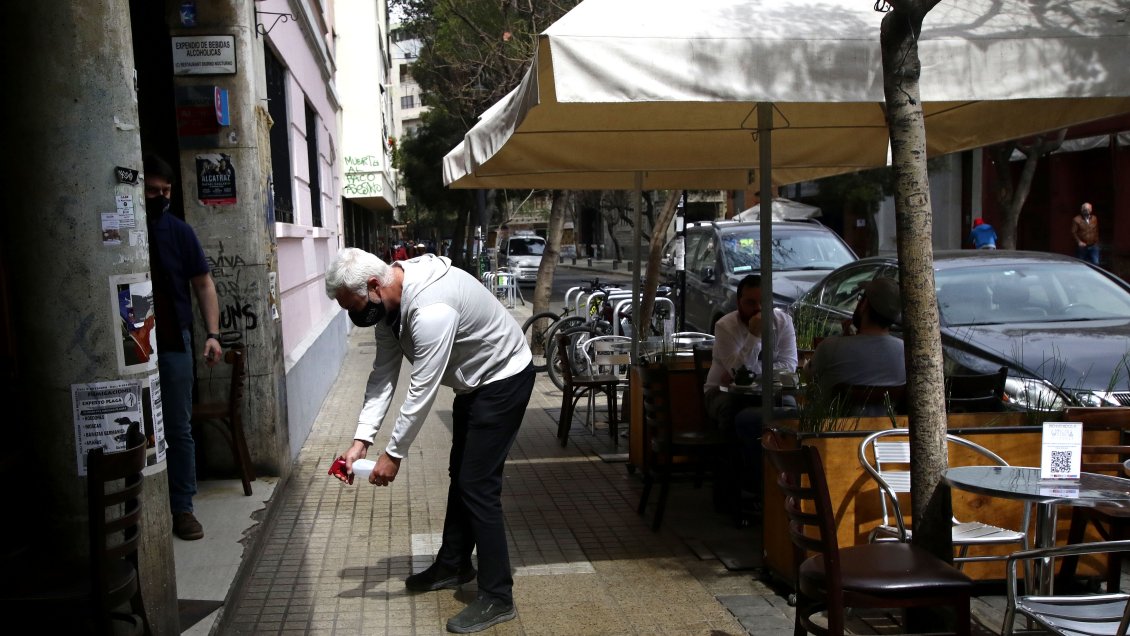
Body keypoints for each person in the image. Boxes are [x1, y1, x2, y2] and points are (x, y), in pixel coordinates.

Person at [325, 248, 534, 634]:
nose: (351, 315)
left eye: (351, 305)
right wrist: (361, 441)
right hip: (474, 383)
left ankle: (497, 596)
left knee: (478, 486)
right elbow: (383, 374)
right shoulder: (390, 307)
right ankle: (453, 564)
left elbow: (421, 388)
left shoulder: (430, 309)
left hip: (504, 377)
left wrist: (394, 454)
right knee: (463, 474)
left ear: (373, 285)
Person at [143, 154, 222, 541]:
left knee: (178, 426)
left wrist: (212, 333)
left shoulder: (179, 231)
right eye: (153, 190)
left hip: (174, 344)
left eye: (166, 191)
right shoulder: (126, 229)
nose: (160, 197)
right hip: (132, 347)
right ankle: (139, 509)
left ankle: (182, 507)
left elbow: (203, 284)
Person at [702, 275, 797, 519]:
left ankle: (783, 484)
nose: (757, 310)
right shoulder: (726, 326)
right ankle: (740, 488)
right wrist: (754, 336)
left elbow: (789, 366)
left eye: (763, 303)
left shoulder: (783, 322)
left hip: (767, 395)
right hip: (721, 394)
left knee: (791, 411)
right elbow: (737, 374)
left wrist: (751, 372)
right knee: (735, 419)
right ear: (738, 302)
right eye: (750, 303)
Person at [806, 277, 905, 414]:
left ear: (864, 304)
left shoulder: (831, 348)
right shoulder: (905, 353)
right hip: (885, 433)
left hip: (833, 434)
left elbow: (809, 378)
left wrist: (843, 341)